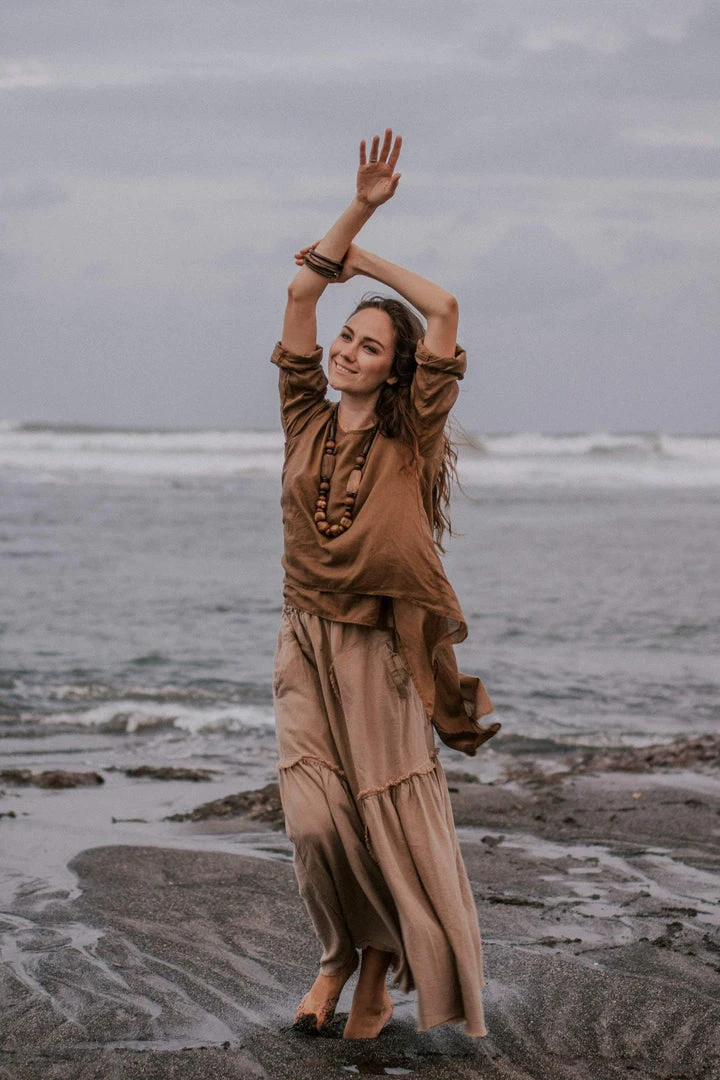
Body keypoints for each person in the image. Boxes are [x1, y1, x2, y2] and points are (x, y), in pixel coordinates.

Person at [271, 128, 500, 1041]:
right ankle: (340, 952)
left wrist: (363, 254)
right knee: (316, 822)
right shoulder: (302, 415)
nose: (347, 351)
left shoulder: (416, 434)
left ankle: (372, 966)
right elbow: (299, 293)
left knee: (380, 817)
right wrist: (355, 202)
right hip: (302, 637)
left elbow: (442, 307)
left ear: (396, 368)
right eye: (346, 337)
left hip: (377, 644)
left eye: (368, 346)